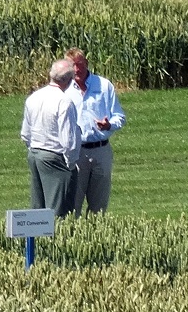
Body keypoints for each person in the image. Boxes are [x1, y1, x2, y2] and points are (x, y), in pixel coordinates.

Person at [65, 47, 124, 216]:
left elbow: (119, 116)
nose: (77, 69)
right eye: (73, 66)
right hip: (76, 151)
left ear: (87, 63)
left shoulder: (104, 85)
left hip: (101, 150)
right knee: (73, 203)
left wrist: (109, 125)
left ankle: (97, 237)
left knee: (99, 205)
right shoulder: (64, 89)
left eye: (80, 64)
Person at [22, 58, 80, 214]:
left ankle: (38, 238)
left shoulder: (33, 97)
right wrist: (71, 163)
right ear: (69, 80)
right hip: (55, 156)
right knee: (59, 208)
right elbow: (68, 139)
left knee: (38, 206)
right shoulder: (64, 101)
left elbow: (25, 133)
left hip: (35, 153)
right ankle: (56, 236)